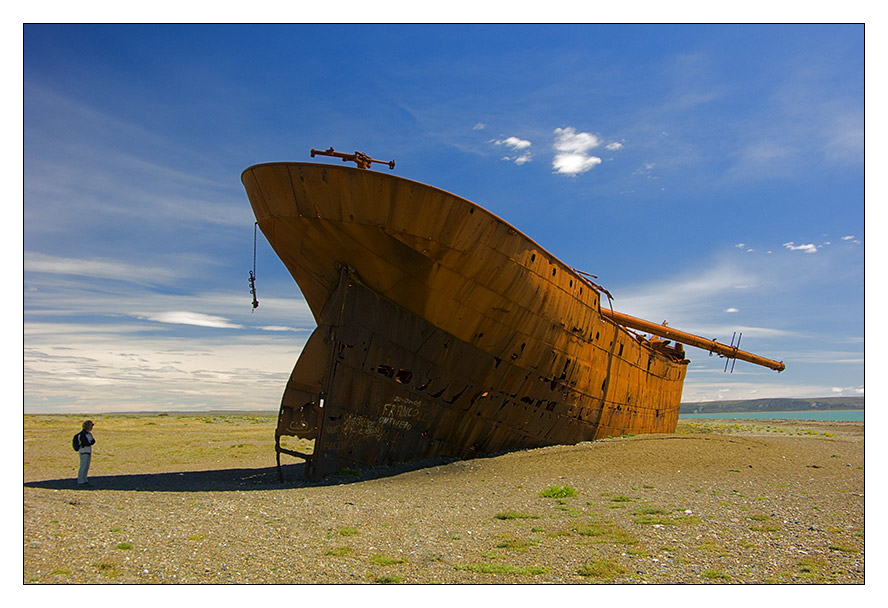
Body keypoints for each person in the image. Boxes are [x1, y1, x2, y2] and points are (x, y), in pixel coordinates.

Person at [76, 420, 96, 487]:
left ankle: (84, 480)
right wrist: (89, 443)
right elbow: (86, 442)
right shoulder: (82, 435)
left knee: (86, 467)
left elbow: (93, 441)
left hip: (87, 451)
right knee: (83, 466)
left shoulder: (88, 434)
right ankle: (81, 481)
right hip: (83, 452)